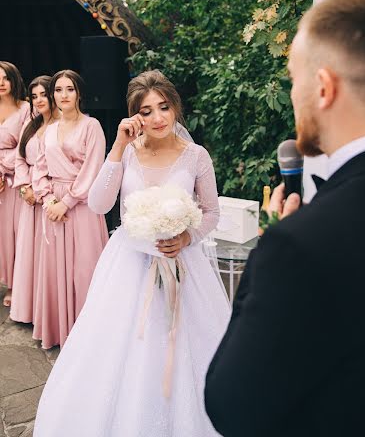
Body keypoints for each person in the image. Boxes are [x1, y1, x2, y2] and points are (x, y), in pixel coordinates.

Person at [205, 0, 365, 437]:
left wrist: (270, 251)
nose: (294, 94)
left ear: (324, 87)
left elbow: (233, 407)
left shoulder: (299, 245)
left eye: (293, 78)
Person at [33, 70, 230, 437]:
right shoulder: (128, 153)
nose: (157, 118)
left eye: (164, 107)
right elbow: (98, 203)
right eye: (146, 110)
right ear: (134, 116)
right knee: (124, 353)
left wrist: (187, 237)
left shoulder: (195, 156)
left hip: (181, 268)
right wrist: (118, 148)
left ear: (175, 108)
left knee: (185, 350)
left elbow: (212, 212)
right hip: (128, 267)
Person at [32, 70, 108, 348]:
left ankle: (88, 340)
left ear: (79, 93)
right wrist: (49, 200)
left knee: (84, 270)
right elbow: (39, 169)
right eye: (59, 90)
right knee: (55, 272)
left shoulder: (92, 126)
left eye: (70, 89)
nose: (63, 95)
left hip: (83, 206)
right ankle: (60, 331)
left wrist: (68, 201)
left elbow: (93, 169)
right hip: (53, 207)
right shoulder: (49, 130)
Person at [11, 76, 61, 324]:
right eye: (34, 96)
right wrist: (23, 188)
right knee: (27, 253)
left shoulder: (63, 125)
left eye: (44, 94)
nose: (39, 100)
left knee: (45, 256)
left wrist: (41, 193)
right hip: (28, 198)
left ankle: (47, 313)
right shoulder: (31, 124)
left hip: (48, 197)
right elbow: (20, 158)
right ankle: (27, 309)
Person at [0, 61, 29, 307]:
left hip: (16, 181)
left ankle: (16, 285)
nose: (1, 83)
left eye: (5, 78)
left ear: (14, 80)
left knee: (16, 233)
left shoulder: (26, 109)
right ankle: (6, 281)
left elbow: (26, 146)